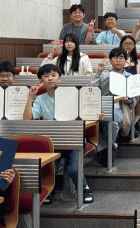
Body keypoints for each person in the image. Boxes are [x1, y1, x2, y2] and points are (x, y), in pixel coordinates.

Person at [23, 64, 94, 203]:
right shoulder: (40, 99)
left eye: (53, 75)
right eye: (46, 76)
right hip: (53, 141)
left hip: (74, 140)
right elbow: (27, 119)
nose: (50, 78)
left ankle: (84, 188)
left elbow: (86, 113)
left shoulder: (72, 96)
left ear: (60, 79)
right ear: (40, 80)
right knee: (49, 168)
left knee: (73, 169)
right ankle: (50, 191)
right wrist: (30, 97)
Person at [93, 47, 140, 140]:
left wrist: (128, 101)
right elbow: (93, 89)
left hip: (122, 107)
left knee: (114, 120)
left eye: (121, 58)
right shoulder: (104, 74)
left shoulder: (130, 77)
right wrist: (99, 72)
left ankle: (109, 143)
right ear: (110, 61)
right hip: (104, 105)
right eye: (115, 58)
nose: (118, 60)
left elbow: (135, 99)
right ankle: (111, 144)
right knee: (111, 120)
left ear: (125, 61)